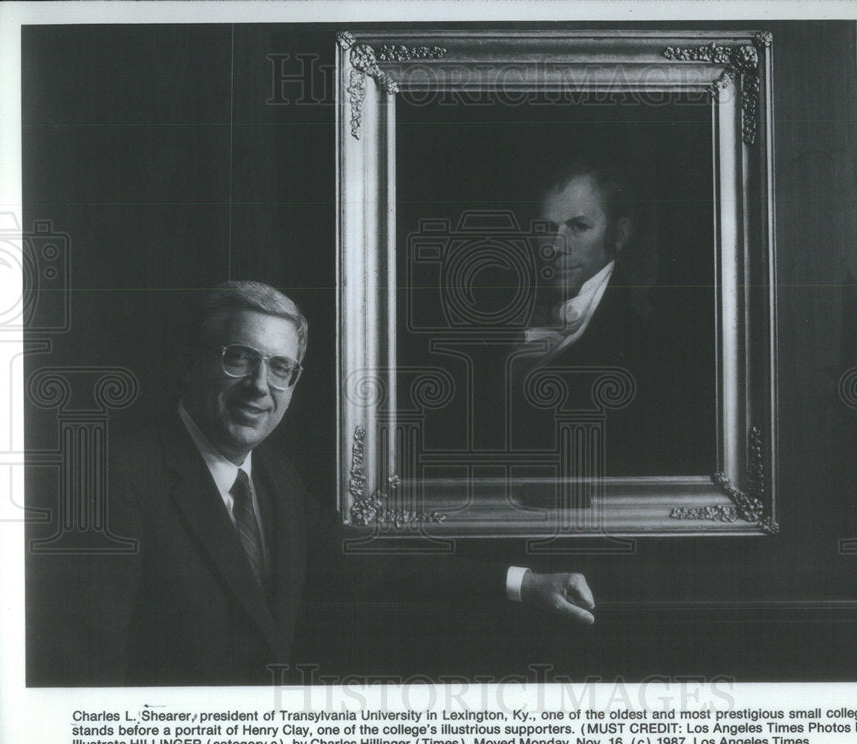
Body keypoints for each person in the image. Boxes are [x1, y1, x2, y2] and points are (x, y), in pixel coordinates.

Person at [33, 281, 595, 686]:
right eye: (239, 358)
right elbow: (83, 685)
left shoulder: (273, 477)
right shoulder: (112, 480)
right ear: (190, 364)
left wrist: (525, 582)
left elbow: (371, 563)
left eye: (281, 368)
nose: (260, 386)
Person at [511, 160, 668, 476]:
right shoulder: (523, 316)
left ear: (619, 236)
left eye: (578, 227)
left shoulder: (643, 344)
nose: (555, 247)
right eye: (547, 229)